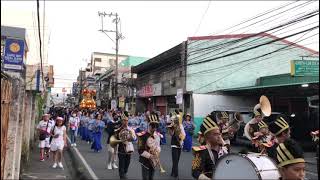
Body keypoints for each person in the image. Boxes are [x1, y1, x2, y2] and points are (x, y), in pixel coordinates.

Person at [191, 113, 228, 179]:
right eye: (215, 134)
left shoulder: (224, 149)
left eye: (219, 134)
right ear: (207, 137)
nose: (219, 136)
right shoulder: (202, 151)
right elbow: (195, 171)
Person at [137, 112, 162, 180]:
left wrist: (157, 150)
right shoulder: (142, 135)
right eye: (153, 127)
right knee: (145, 178)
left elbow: (159, 146)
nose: (154, 129)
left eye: (156, 127)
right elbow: (140, 150)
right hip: (145, 160)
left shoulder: (157, 135)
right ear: (149, 125)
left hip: (154, 160)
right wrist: (150, 155)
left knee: (151, 178)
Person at [116, 111, 136, 179]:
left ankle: (124, 173)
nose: (125, 122)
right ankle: (122, 176)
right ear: (122, 121)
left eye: (126, 120)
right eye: (124, 120)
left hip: (129, 149)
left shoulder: (130, 129)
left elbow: (134, 138)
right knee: (121, 164)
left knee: (127, 164)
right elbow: (115, 139)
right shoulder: (118, 129)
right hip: (121, 149)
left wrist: (131, 137)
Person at [168, 110, 186, 179]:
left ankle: (173, 172)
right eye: (178, 119)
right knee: (175, 160)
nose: (179, 120)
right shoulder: (173, 125)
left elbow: (184, 135)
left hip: (179, 144)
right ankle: (176, 174)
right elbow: (171, 134)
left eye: (179, 119)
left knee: (177, 160)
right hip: (174, 145)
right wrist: (171, 129)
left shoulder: (181, 126)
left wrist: (182, 138)